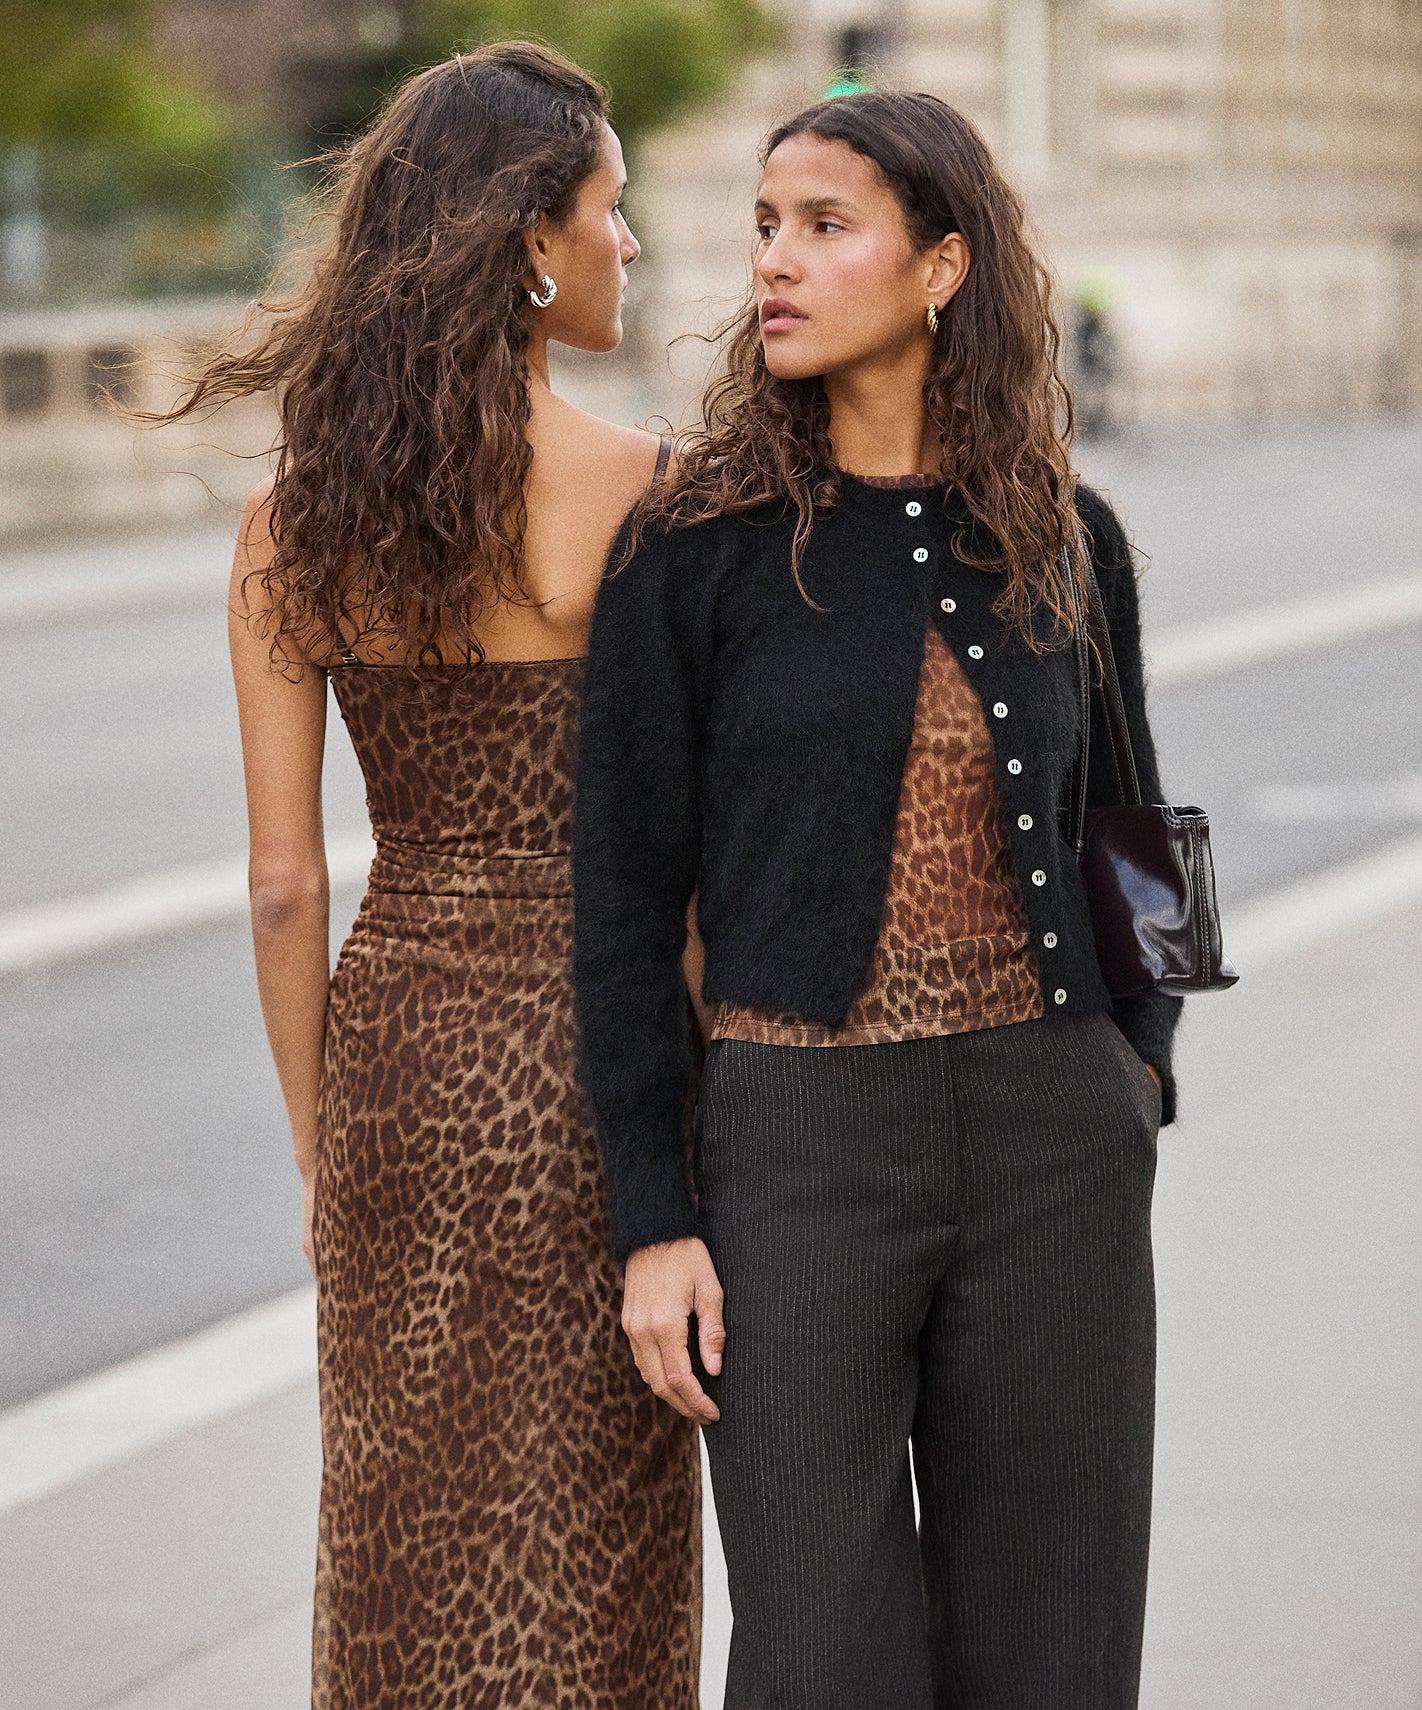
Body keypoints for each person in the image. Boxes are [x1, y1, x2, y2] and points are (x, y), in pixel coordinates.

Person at [572, 89, 1179, 1709]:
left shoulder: (1063, 533)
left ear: (940, 266)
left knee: (1053, 1639)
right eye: (764, 226)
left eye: (823, 226)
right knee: (818, 1652)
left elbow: (1132, 822)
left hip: (1053, 1134)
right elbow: (619, 903)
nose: (774, 260)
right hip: (799, 1145)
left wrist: (1141, 1064)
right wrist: (654, 1219)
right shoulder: (693, 547)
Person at [154, 43, 700, 1710]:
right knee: (599, 1528)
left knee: (399, 1517)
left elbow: (281, 883)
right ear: (531, 238)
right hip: (598, 1068)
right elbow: (689, 868)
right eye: (611, 208)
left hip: (394, 1063)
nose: (629, 243)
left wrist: (322, 1143)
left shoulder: (293, 527)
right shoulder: (652, 496)